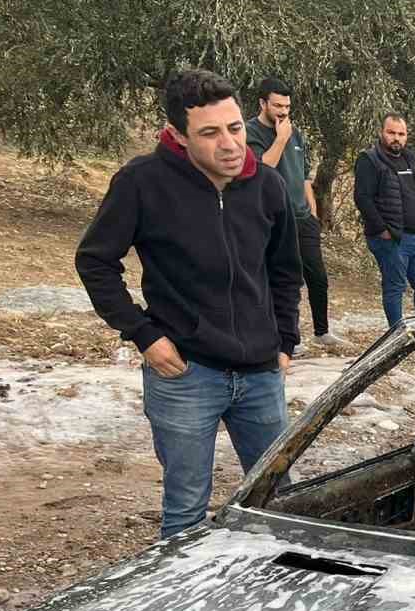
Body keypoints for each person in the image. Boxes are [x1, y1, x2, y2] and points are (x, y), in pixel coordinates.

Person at [75, 68, 301, 541]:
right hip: (185, 373)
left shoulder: (268, 185)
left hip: (261, 373)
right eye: (211, 133)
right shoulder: (142, 182)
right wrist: (144, 335)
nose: (230, 144)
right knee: (185, 515)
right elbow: (96, 262)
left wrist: (286, 341)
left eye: (235, 128)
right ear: (178, 134)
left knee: (282, 505)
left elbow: (284, 270)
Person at [245, 77, 345, 351]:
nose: (283, 111)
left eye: (287, 106)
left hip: (302, 218)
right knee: (281, 280)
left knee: (318, 276)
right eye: (277, 105)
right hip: (270, 219)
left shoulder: (296, 134)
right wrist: (280, 139)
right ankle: (284, 337)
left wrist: (312, 212)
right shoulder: (249, 132)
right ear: (262, 103)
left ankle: (322, 331)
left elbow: (303, 177)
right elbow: (260, 170)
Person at [354, 113, 415, 327]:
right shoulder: (370, 159)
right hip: (393, 239)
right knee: (395, 287)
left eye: (401, 134)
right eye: (391, 133)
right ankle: (396, 336)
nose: (396, 138)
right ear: (382, 132)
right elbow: (362, 198)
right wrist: (383, 230)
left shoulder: (410, 158)